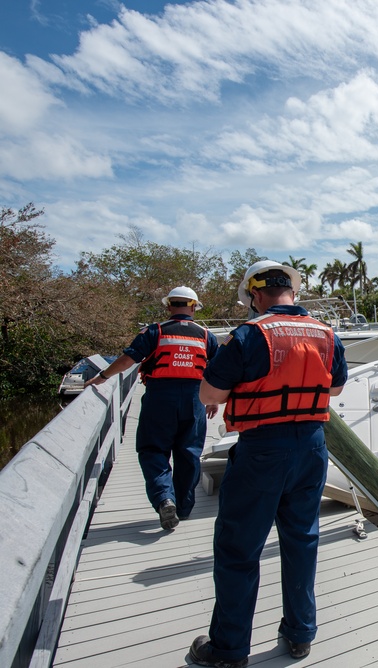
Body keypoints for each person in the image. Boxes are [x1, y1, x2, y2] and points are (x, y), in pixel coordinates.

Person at [189, 261, 347, 668]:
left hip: (261, 449)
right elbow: (336, 386)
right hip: (312, 448)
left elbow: (210, 394)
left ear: (256, 295)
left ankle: (228, 649)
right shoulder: (327, 334)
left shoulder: (247, 334)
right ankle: (299, 634)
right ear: (292, 292)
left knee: (239, 549)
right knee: (302, 540)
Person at [85, 286, 219, 530]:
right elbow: (215, 370)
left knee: (153, 450)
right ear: (193, 307)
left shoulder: (154, 331)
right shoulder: (206, 335)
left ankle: (164, 498)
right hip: (195, 400)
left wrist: (103, 376)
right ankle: (184, 508)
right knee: (188, 454)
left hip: (160, 397)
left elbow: (129, 359)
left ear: (169, 306)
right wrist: (211, 400)